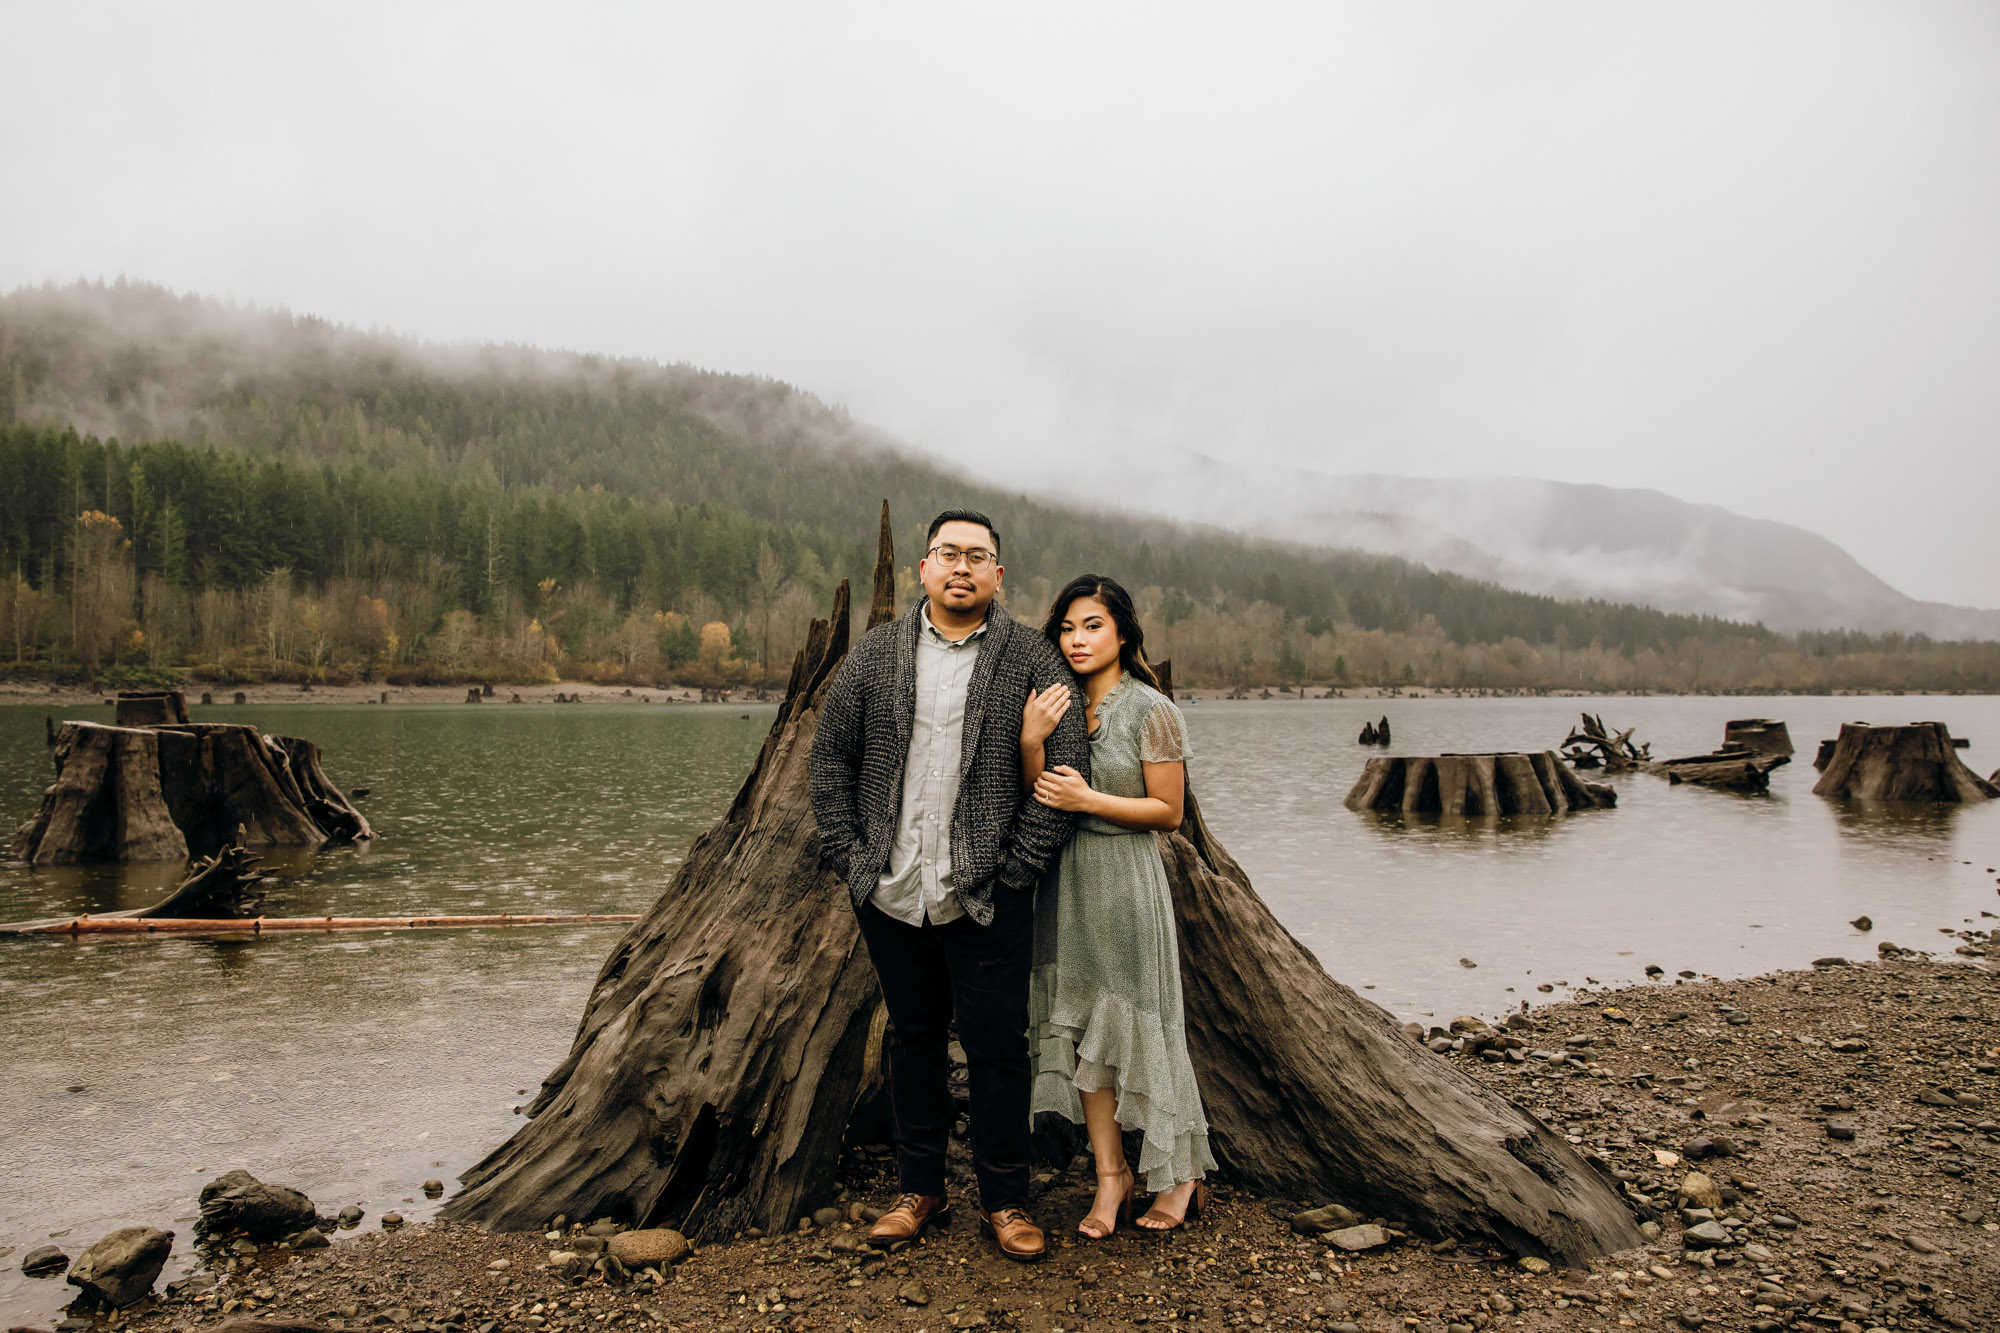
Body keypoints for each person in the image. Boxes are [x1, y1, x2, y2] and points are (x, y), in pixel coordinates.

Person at [808, 508, 1091, 1263]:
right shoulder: (874, 656)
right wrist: (854, 862)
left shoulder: (1031, 657)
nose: (961, 567)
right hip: (893, 890)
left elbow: (1067, 772)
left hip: (987, 894)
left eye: (978, 556)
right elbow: (828, 761)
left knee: (999, 1047)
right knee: (914, 1039)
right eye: (948, 554)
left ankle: (1005, 1198)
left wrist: (1018, 867)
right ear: (924, 570)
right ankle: (918, 1188)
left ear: (999, 574)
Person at [1020, 574, 1215, 1238]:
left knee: (1142, 1027)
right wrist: (1029, 739)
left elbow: (1169, 811)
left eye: (1092, 625)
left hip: (1124, 880)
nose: (1077, 639)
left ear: (1124, 633)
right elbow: (1038, 793)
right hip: (1064, 883)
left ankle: (1180, 1174)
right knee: (1080, 1036)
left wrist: (1091, 801)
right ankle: (1111, 1178)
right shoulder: (1055, 704)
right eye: (1067, 627)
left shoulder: (1152, 708)